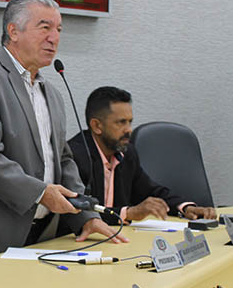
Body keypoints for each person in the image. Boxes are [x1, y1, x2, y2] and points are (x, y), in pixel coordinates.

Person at [0, 0, 124, 267]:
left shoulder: (52, 94)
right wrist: (41, 193)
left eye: (58, 29)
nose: (54, 38)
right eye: (44, 27)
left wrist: (86, 216)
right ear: (13, 31)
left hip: (40, 236)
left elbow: (63, 160)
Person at [67, 86, 217, 225]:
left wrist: (185, 207)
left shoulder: (127, 153)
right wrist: (128, 213)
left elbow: (150, 191)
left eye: (130, 122)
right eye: (121, 122)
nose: (129, 130)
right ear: (96, 126)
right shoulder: (74, 156)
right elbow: (80, 211)